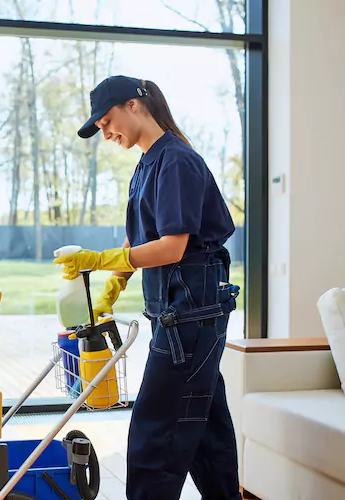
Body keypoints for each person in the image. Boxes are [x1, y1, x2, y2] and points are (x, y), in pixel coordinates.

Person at [54, 75, 241, 500]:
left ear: (134, 105)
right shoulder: (149, 162)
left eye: (106, 121)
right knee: (206, 429)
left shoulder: (175, 160)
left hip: (189, 319)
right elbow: (141, 239)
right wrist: (113, 285)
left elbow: (172, 248)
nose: (106, 133)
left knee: (153, 435)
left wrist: (100, 261)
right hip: (182, 317)